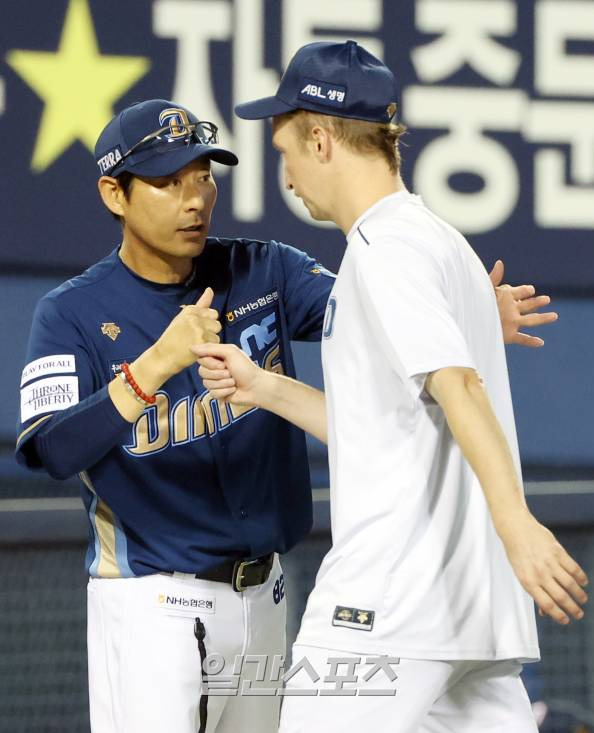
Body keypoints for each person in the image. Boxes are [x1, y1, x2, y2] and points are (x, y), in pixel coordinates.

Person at [15, 98, 555, 732]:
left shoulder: (262, 267)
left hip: (265, 598)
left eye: (204, 175)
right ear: (115, 194)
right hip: (151, 603)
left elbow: (375, 316)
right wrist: (153, 366)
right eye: (167, 183)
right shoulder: (71, 311)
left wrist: (460, 315)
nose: (195, 199)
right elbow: (50, 450)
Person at [193, 40, 589, 732]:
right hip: (469, 615)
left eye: (285, 148)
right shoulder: (441, 244)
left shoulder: (384, 251)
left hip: (383, 604)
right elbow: (383, 421)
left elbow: (459, 384)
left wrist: (516, 520)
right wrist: (264, 387)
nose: (285, 173)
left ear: (321, 139)